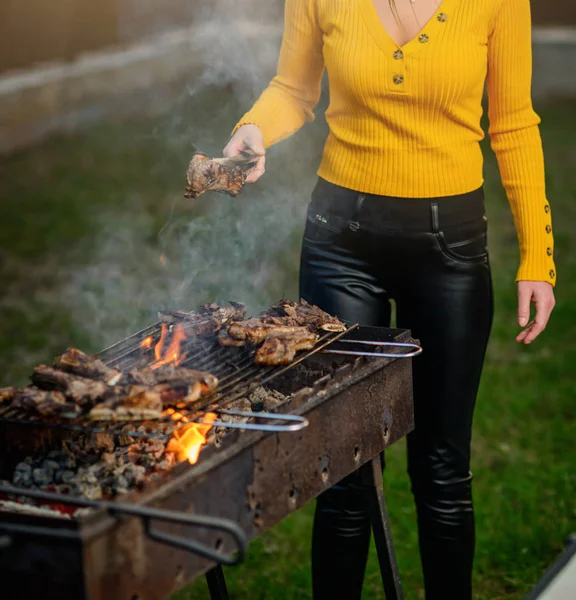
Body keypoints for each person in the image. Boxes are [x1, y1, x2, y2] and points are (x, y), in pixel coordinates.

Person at [223, 0, 556, 598]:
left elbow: (514, 123)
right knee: (342, 470)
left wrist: (538, 256)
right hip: (339, 244)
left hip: (450, 253)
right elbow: (294, 89)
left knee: (442, 470)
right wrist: (253, 128)